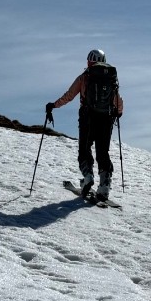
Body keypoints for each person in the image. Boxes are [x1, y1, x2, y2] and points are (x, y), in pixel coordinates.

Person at [46, 49, 124, 201]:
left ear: (89, 61)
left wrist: (54, 105)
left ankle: (88, 176)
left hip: (87, 118)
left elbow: (69, 95)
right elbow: (118, 100)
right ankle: (104, 186)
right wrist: (118, 112)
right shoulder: (111, 77)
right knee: (103, 152)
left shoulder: (85, 76)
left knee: (85, 148)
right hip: (106, 119)